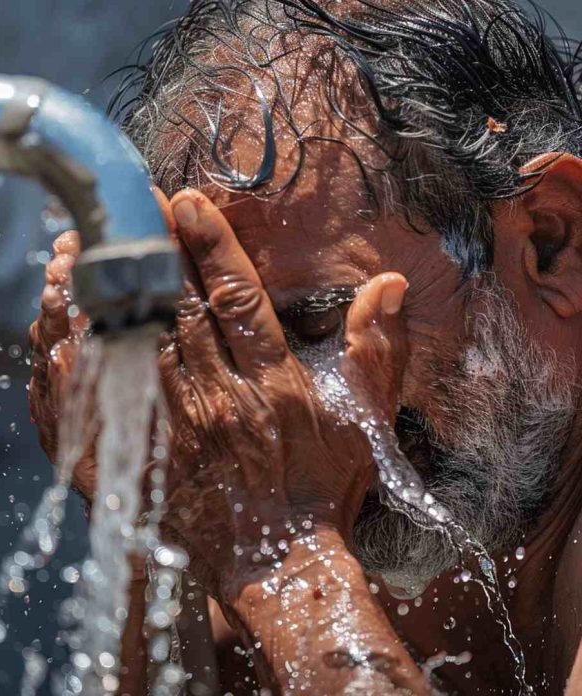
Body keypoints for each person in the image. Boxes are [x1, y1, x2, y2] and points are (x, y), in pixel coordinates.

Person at [28, 1, 582, 693]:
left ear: (551, 246)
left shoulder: (302, 525)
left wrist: (286, 554)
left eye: (318, 325)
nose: (268, 411)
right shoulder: (349, 513)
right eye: (228, 347)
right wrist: (145, 517)